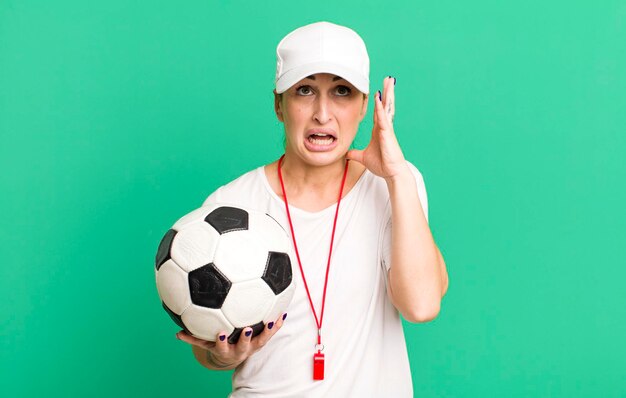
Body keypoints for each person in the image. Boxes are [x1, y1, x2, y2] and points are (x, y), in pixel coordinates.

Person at [176, 21, 449, 397]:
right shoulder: (230, 208)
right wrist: (222, 357)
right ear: (279, 105)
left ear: (366, 106)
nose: (323, 113)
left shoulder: (395, 185)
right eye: (305, 90)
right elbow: (207, 352)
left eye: (341, 92)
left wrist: (397, 176)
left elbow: (421, 305)